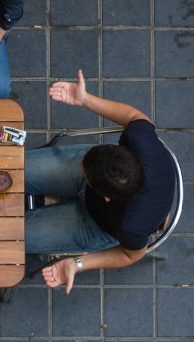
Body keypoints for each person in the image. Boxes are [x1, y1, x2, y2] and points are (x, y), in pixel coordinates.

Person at [27, 70, 176, 293]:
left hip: (95, 225)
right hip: (103, 176)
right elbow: (135, 117)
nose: (80, 167)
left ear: (105, 196)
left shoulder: (131, 226)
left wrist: (77, 264)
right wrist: (84, 99)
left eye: (83, 172)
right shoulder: (140, 142)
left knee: (9, 234)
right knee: (10, 169)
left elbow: (131, 254)